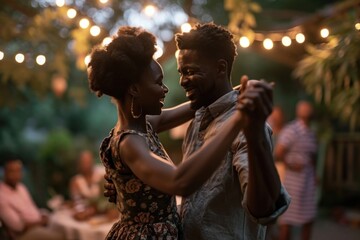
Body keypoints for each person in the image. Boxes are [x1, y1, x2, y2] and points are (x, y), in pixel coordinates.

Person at [104, 23, 290, 240]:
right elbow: (188, 189)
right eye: (181, 72)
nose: (181, 81)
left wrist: (247, 123)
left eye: (190, 72)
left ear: (221, 68)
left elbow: (262, 209)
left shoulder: (246, 127)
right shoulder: (198, 117)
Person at [275, 100, 318, 240]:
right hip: (293, 182)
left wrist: (315, 173)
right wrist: (293, 165)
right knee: (287, 221)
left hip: (308, 181)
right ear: (299, 111)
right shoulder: (291, 130)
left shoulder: (311, 132)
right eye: (304, 108)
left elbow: (312, 156)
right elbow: (278, 153)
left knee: (308, 219)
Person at [0, 158, 64, 240]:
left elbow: (32, 208)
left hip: (38, 224)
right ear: (5, 173)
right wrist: (41, 222)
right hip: (23, 234)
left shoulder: (21, 187)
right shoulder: (2, 196)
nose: (16, 175)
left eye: (19, 171)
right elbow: (19, 227)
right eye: (12, 171)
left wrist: (42, 216)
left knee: (63, 229)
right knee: (60, 237)